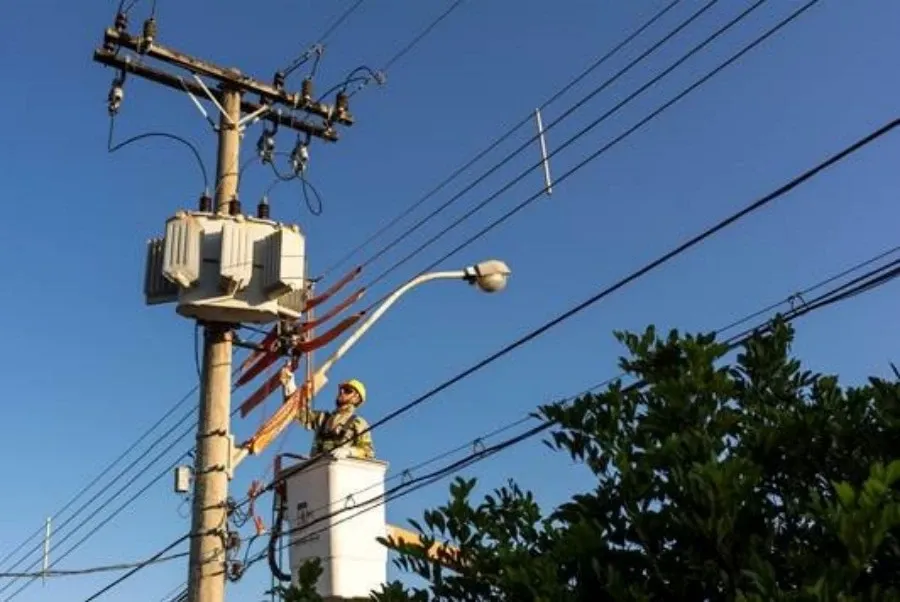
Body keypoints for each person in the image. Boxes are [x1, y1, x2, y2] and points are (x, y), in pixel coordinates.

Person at [279, 364, 375, 460]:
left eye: (347, 391)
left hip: (341, 469)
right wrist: (289, 383)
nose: (341, 392)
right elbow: (297, 411)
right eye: (341, 390)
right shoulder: (323, 418)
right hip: (318, 468)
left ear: (356, 399)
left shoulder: (358, 423)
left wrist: (349, 451)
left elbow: (367, 452)